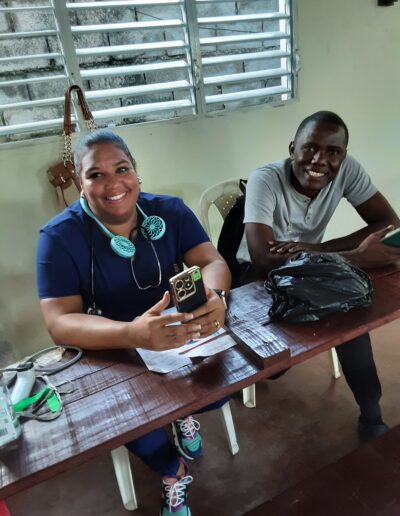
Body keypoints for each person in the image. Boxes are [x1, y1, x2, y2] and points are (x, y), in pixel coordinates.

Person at [36, 130, 231, 515]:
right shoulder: (59, 237)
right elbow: (59, 323)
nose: (113, 184)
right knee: (130, 425)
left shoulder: (170, 211)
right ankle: (172, 472)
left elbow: (213, 263)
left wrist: (215, 297)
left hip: (179, 334)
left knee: (219, 388)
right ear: (79, 181)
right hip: (114, 344)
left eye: (121, 169)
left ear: (136, 171)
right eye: (95, 175)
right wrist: (131, 333)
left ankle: (183, 414)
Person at [237, 110, 400, 440]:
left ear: (343, 155)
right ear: (292, 148)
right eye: (309, 148)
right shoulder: (264, 179)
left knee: (352, 316)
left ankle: (371, 415)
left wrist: (311, 249)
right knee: (275, 369)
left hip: (315, 268)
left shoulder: (347, 171)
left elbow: (387, 222)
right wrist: (353, 257)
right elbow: (264, 259)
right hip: (254, 278)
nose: (319, 160)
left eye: (333, 152)